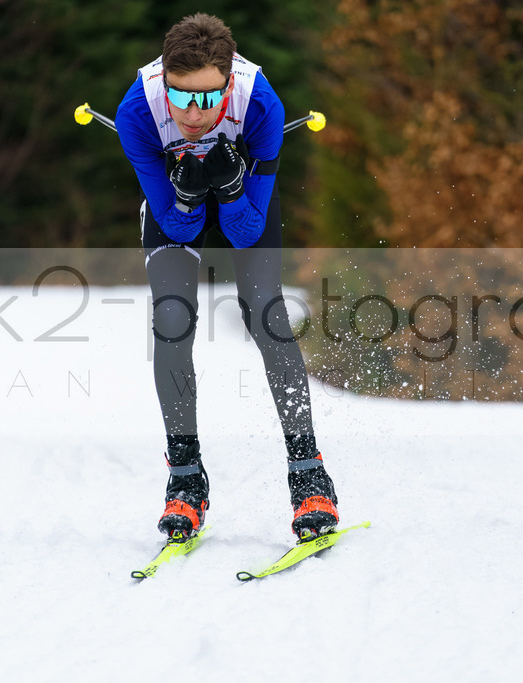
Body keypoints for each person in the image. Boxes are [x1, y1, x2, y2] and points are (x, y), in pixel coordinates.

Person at [115, 13, 339, 541]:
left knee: (266, 313)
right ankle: (186, 482)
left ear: (230, 80)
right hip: (175, 201)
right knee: (172, 318)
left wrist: (234, 188)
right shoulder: (137, 113)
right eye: (184, 98)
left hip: (247, 205)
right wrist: (190, 195)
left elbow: (246, 231)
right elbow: (173, 222)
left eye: (210, 98)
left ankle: (310, 476)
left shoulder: (260, 105)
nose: (197, 114)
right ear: (164, 80)